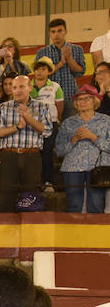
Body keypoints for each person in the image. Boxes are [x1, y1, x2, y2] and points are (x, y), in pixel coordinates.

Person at [0, 75, 52, 212]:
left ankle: (29, 231)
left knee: (31, 197)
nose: (18, 90)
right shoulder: (3, 107)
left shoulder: (42, 107)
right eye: (14, 87)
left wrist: (28, 117)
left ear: (29, 88)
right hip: (9, 156)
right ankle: (6, 230)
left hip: (32, 156)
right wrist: (17, 127)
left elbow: (47, 131)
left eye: (21, 87)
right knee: (6, 197)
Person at [55, 85, 110, 213]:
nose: (82, 102)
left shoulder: (106, 121)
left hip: (98, 168)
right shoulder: (68, 122)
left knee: (96, 205)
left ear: (95, 101)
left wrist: (94, 138)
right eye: (79, 99)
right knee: (73, 205)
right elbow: (59, 150)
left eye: (87, 98)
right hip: (72, 168)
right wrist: (73, 141)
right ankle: (74, 232)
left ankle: (94, 233)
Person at [37, 18, 86, 119]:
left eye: (59, 31)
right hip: (48, 99)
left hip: (70, 97)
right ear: (49, 33)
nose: (56, 34)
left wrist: (69, 59)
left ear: (65, 31)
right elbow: (40, 75)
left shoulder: (77, 49)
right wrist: (61, 63)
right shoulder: (42, 52)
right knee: (50, 130)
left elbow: (80, 72)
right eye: (53, 32)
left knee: (71, 130)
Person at [30, 56, 64, 193]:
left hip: (50, 123)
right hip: (32, 124)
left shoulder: (55, 87)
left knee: (47, 152)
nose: (39, 72)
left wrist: (55, 119)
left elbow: (59, 106)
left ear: (49, 71)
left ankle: (48, 181)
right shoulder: (28, 86)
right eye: (37, 69)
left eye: (43, 69)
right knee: (34, 153)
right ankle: (34, 181)